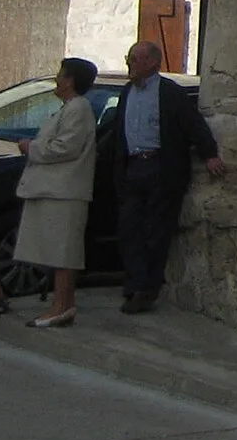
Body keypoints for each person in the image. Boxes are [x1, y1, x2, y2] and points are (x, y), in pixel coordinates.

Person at [99, 41, 225, 313]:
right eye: (129, 57)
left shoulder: (169, 94)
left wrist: (210, 154)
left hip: (160, 168)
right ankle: (134, 283)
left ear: (152, 63)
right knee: (129, 228)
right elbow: (116, 134)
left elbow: (193, 125)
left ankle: (147, 289)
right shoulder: (127, 93)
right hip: (133, 168)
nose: (130, 63)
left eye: (135, 58)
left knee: (156, 230)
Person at [14, 57, 100, 329]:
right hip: (56, 191)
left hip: (65, 192)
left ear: (70, 80)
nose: (57, 79)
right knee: (56, 251)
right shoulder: (68, 109)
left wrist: (32, 148)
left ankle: (60, 305)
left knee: (63, 252)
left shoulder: (79, 108)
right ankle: (62, 305)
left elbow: (66, 147)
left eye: (61, 75)